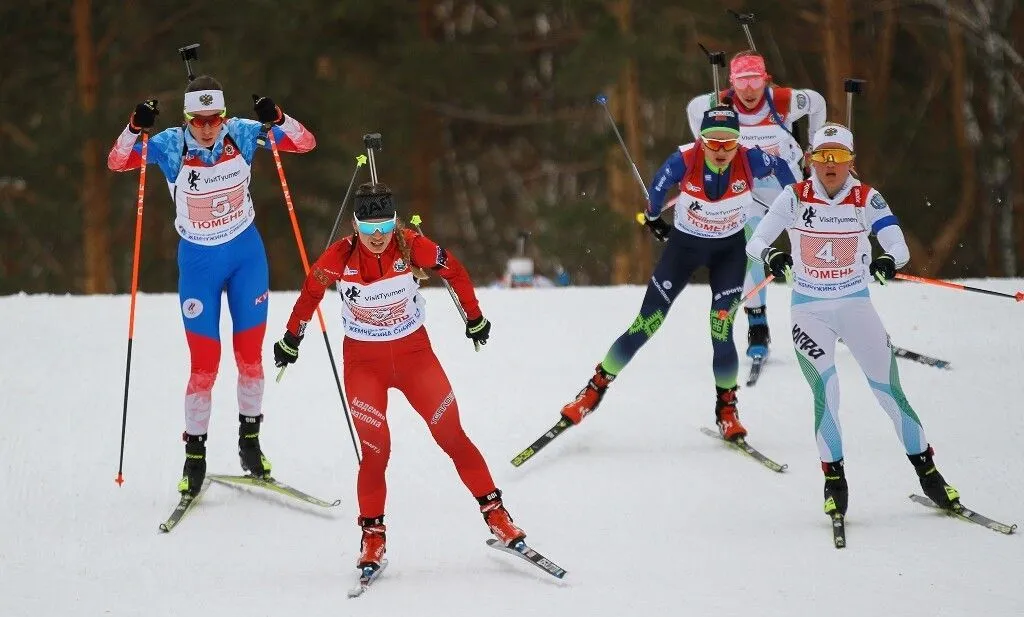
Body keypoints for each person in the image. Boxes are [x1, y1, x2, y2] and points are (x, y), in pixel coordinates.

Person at [272, 182, 526, 570]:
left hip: (414, 359)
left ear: (395, 223)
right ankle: (373, 538)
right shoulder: (340, 255)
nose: (377, 236)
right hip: (364, 365)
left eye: (385, 226)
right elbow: (311, 292)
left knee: (451, 435)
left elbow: (454, 271)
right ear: (355, 226)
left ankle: (497, 517)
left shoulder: (410, 246)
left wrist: (474, 317)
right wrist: (292, 337)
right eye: (368, 228)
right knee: (376, 451)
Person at [107, 76, 316, 496]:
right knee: (204, 367)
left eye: (213, 119)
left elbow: (304, 142)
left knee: (251, 360)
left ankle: (250, 444)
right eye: (198, 120)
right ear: (187, 118)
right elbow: (116, 162)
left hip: (246, 258)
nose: (206, 128)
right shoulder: (168, 145)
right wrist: (134, 125)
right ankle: (195, 456)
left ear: (223, 116)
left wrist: (276, 117)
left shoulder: (240, 132)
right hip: (199, 264)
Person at [744, 123, 960, 517]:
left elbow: (898, 244)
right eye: (823, 157)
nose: (830, 165)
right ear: (810, 160)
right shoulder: (794, 197)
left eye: (838, 157)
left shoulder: (866, 198)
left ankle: (929, 474)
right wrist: (772, 256)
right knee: (827, 395)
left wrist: (887, 260)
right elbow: (755, 241)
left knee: (890, 393)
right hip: (808, 312)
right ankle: (834, 482)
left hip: (857, 308)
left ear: (850, 162)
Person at [560, 104, 796, 441]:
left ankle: (727, 409)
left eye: (728, 143)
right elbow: (658, 187)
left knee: (721, 329)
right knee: (646, 324)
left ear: (738, 142)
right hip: (683, 249)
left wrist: (798, 203)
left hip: (729, 252)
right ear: (702, 140)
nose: (720, 151)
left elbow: (786, 171)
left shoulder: (751, 159)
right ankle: (592, 391)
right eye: (713, 143)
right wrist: (655, 216)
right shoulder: (684, 159)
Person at [687, 51, 826, 360]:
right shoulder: (717, 105)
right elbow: (694, 108)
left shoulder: (784, 100)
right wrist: (707, 154)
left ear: (766, 80)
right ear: (731, 82)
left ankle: (827, 313)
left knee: (813, 247)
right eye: (741, 81)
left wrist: (813, 150)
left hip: (786, 188)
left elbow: (816, 102)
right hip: (747, 193)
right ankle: (758, 324)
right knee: (751, 253)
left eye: (755, 81)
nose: (749, 90)